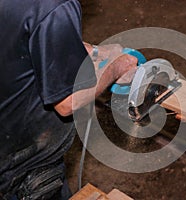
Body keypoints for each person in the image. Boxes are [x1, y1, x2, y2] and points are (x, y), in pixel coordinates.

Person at [0, 0, 137, 199]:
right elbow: (68, 101)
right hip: (18, 168)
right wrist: (116, 67)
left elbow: (21, 29)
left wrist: (90, 51)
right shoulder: (55, 5)